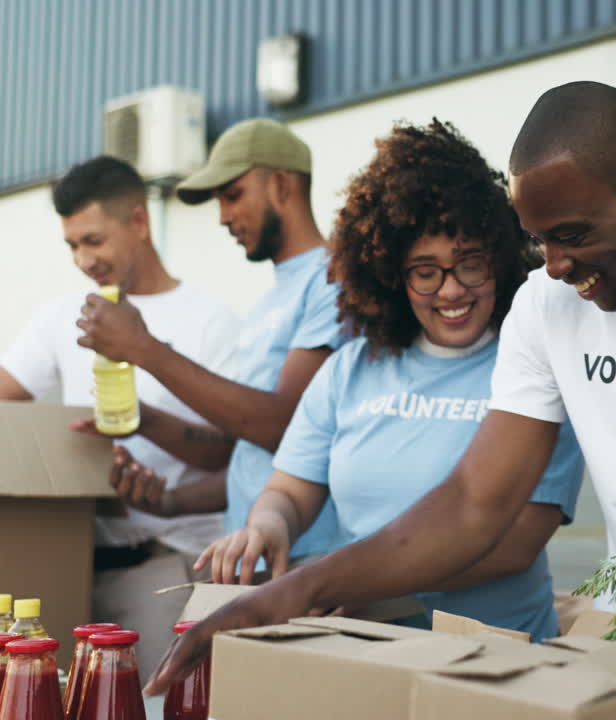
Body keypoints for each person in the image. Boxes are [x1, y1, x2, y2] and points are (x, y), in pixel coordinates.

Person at [146, 80, 616, 691]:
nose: (555, 267)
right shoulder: (547, 305)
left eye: (571, 235)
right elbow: (477, 500)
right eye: (537, 242)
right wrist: (291, 593)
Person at [196, 120, 584, 640]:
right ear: (390, 275)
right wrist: (267, 527)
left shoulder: (530, 365)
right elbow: (289, 490)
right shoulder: (350, 369)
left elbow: (517, 542)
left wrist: (363, 583)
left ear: (500, 258)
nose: (451, 290)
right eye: (425, 271)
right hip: (370, 651)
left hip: (498, 654)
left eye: (469, 263)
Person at [0, 156, 240, 677]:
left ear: (139, 221)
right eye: (72, 246)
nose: (84, 259)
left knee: (150, 708)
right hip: (71, 561)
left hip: (166, 570)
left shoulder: (212, 323)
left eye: (94, 240)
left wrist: (140, 419)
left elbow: (232, 449)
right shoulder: (62, 316)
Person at [76, 118, 347, 564]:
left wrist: (143, 348)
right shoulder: (266, 304)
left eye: (233, 195)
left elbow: (288, 431)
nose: (222, 216)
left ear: (281, 184)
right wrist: (167, 498)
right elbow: (251, 454)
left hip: (306, 562)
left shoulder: (332, 280)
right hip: (249, 562)